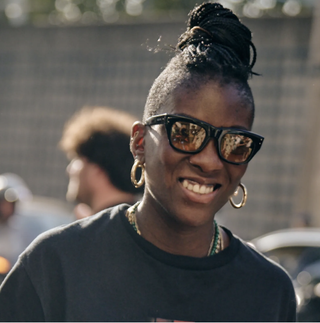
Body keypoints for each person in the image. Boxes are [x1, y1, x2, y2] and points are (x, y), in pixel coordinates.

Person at [0, 2, 296, 321]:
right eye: (186, 133)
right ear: (140, 142)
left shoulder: (268, 290)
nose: (210, 162)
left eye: (235, 143)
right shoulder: (56, 264)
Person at [59, 106, 143, 219]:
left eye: (78, 158)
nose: (69, 170)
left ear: (97, 170)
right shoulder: (147, 225)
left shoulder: (94, 233)